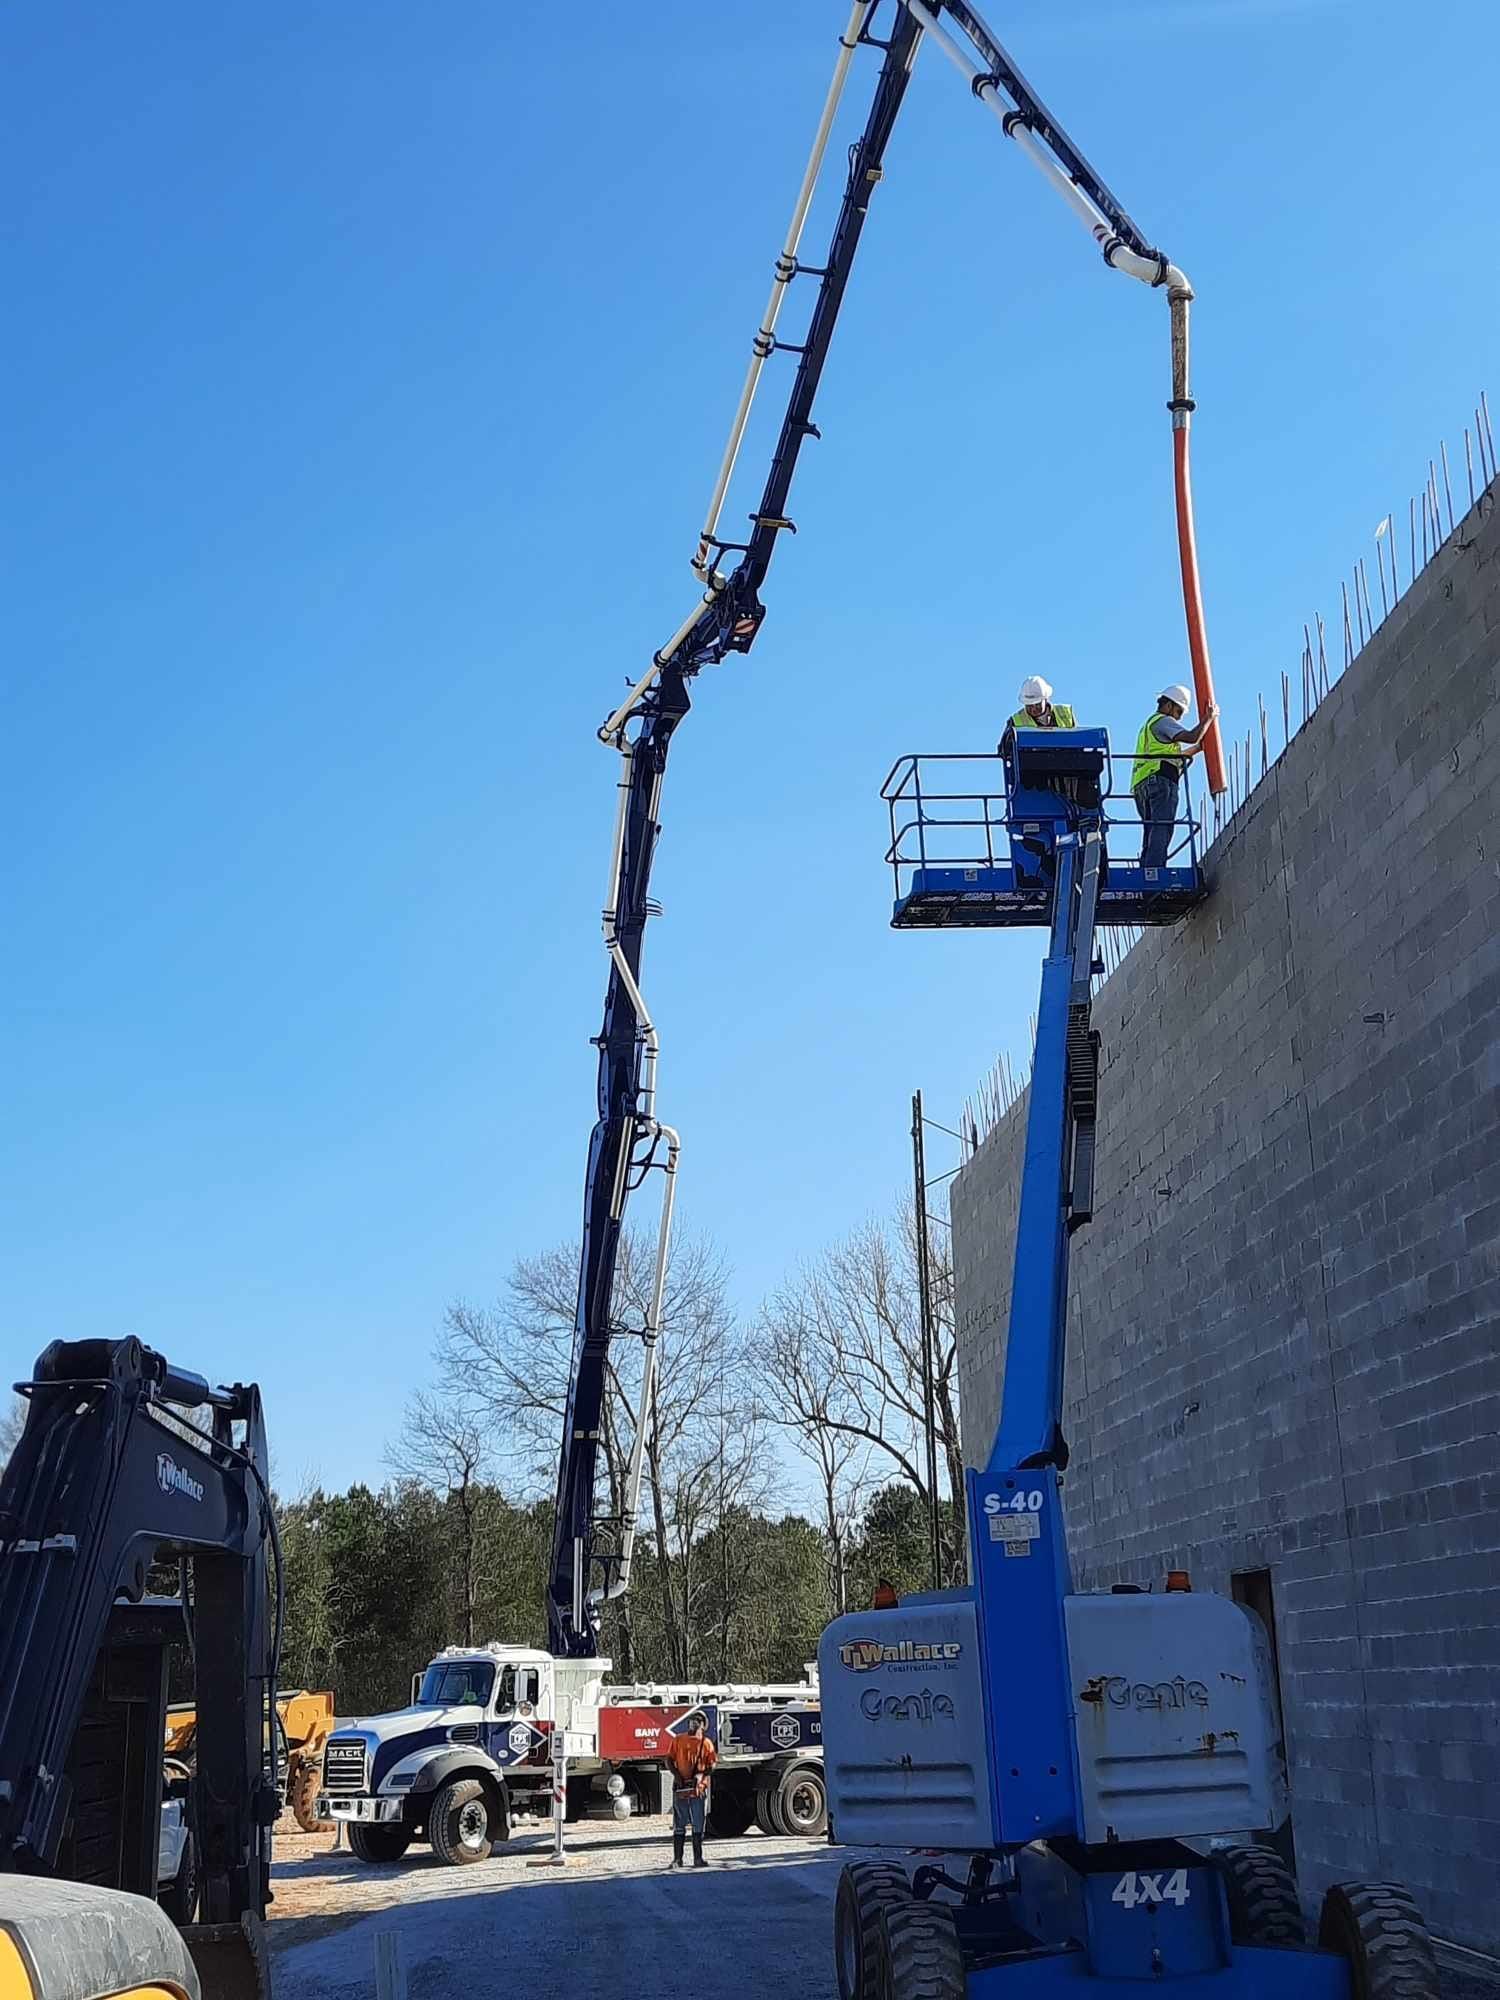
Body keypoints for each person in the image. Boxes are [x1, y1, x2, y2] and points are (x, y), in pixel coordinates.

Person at [1131, 683, 1218, 869]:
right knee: (1162, 829)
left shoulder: (1149, 725)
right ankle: (1155, 873)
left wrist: (1197, 750)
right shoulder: (1163, 721)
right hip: (1161, 782)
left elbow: (1172, 755)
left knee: (1151, 832)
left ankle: (1146, 872)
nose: (1178, 717)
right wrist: (1209, 719)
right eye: (1178, 712)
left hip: (1142, 785)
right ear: (1168, 705)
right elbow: (1191, 736)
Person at [666, 1712, 717, 1869]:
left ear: (703, 1725)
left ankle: (698, 1858)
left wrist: (701, 1775)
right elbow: (668, 1760)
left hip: (698, 1790)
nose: (693, 1723)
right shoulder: (678, 1740)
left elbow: (712, 1764)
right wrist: (677, 1776)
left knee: (698, 1824)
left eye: (698, 1721)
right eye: (692, 1720)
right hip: (680, 1788)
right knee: (679, 1824)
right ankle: (677, 1859)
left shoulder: (706, 1743)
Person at [1005, 675, 1076, 738]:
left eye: (1037, 704)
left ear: (1046, 699)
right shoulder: (1015, 722)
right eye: (1029, 705)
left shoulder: (1066, 713)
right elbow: (1005, 749)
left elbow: (1077, 740)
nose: (1033, 709)